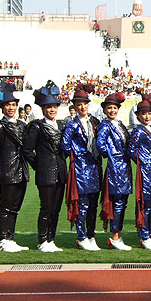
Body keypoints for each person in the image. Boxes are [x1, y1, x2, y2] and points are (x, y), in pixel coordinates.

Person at [22, 81, 68, 252]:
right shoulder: (37, 126)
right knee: (46, 208)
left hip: (61, 173)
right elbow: (27, 150)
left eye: (54, 106)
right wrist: (40, 165)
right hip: (46, 173)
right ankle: (42, 240)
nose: (52, 110)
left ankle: (51, 239)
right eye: (48, 107)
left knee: (55, 210)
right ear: (42, 109)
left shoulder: (61, 126)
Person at [0, 83, 30, 252]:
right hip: (8, 171)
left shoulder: (22, 125)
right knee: (6, 205)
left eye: (13, 105)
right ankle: (3, 239)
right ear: (2, 107)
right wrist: (3, 161)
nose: (11, 108)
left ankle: (10, 237)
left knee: (15, 207)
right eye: (8, 105)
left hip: (21, 171)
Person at [61, 84, 102, 251]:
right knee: (82, 204)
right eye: (79, 104)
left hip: (94, 168)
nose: (82, 107)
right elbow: (64, 145)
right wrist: (76, 155)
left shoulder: (95, 122)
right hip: (80, 169)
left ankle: (91, 235)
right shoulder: (72, 125)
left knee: (93, 204)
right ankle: (81, 236)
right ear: (75, 107)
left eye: (84, 103)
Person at [96, 92, 133, 251]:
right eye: (109, 108)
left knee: (122, 203)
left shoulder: (120, 124)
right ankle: (114, 237)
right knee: (117, 203)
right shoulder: (105, 125)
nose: (112, 110)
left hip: (124, 168)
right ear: (104, 110)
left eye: (114, 108)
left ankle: (117, 234)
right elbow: (101, 145)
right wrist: (112, 156)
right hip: (115, 168)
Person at [128, 94, 151, 250]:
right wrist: (142, 162)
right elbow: (130, 150)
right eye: (143, 113)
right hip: (146, 171)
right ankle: (144, 235)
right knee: (146, 203)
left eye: (149, 113)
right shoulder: (138, 132)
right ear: (138, 116)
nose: (147, 116)